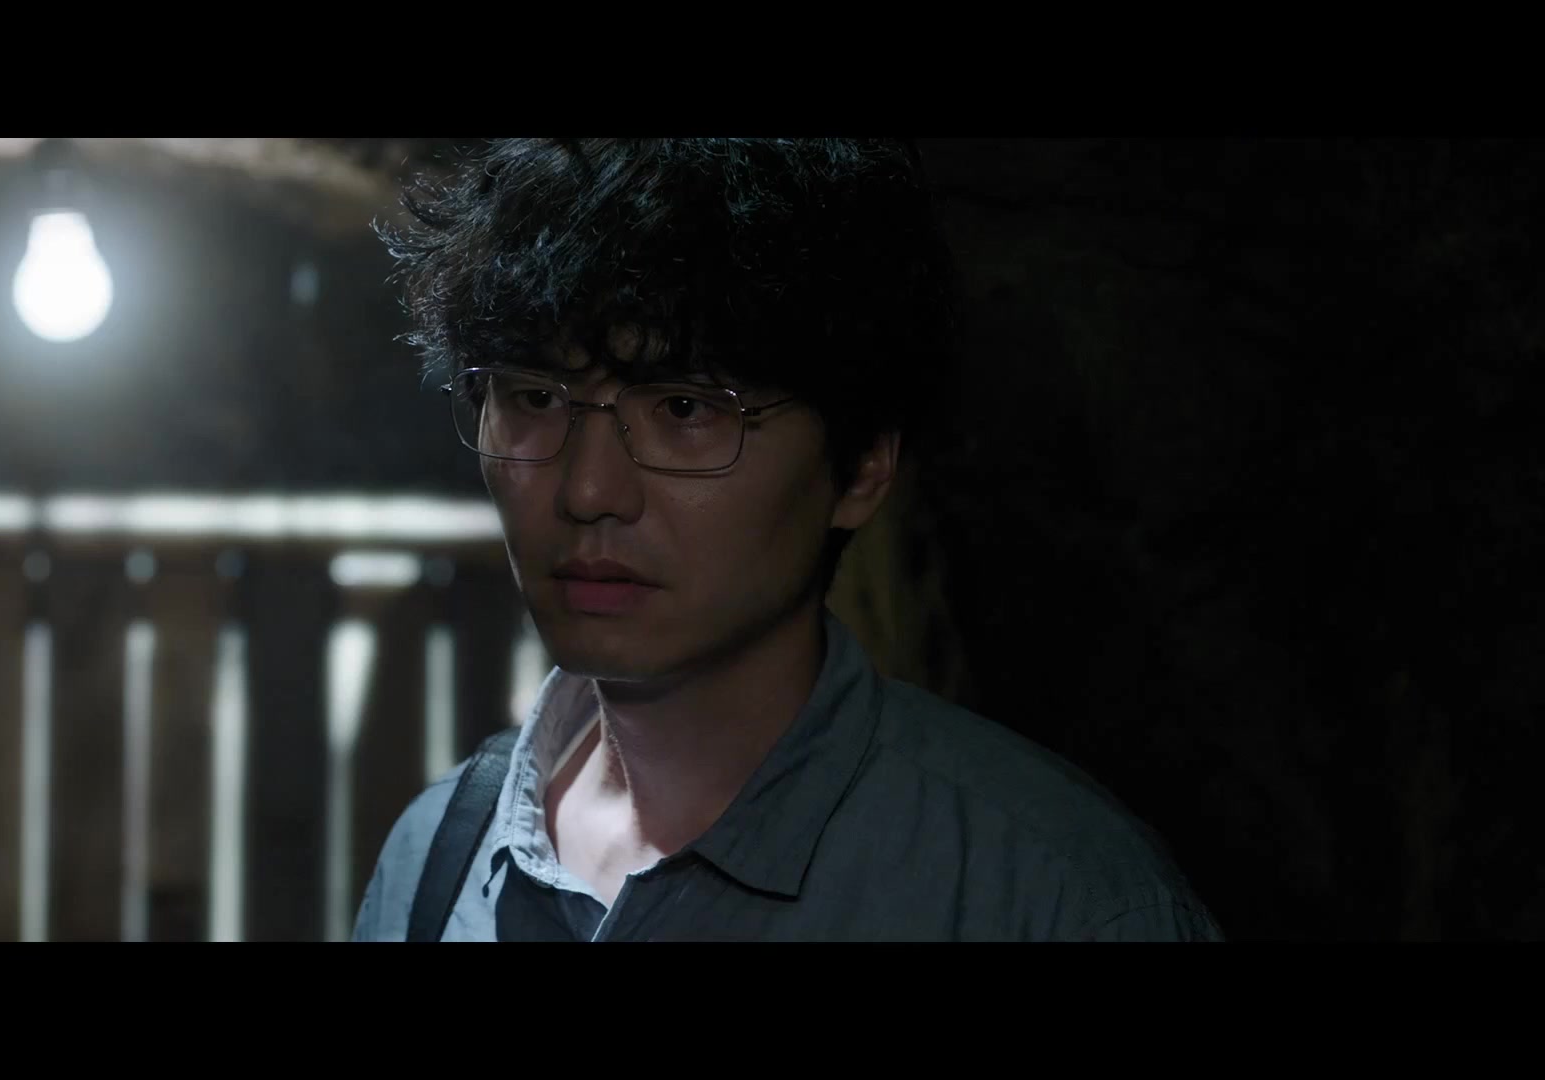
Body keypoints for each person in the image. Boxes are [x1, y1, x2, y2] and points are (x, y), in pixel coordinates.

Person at [350, 138, 1221, 941]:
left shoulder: (1053, 899)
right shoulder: (437, 858)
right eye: (535, 397)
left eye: (685, 409)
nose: (588, 492)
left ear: (862, 468)